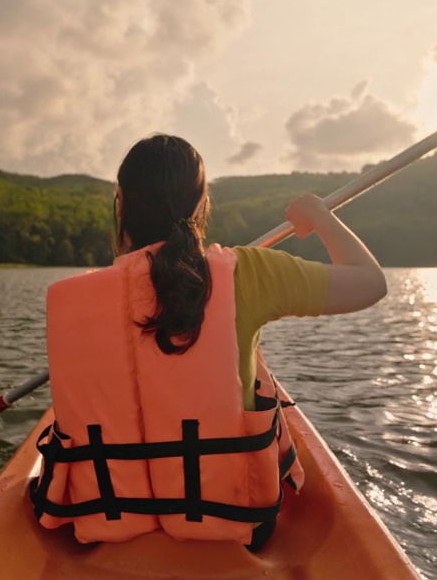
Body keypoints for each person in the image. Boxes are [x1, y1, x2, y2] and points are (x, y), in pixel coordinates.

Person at [28, 134, 386, 551]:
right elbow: (370, 282)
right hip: (241, 525)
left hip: (101, 525)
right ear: (200, 206)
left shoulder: (79, 298)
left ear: (121, 203)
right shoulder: (248, 272)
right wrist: (319, 216)